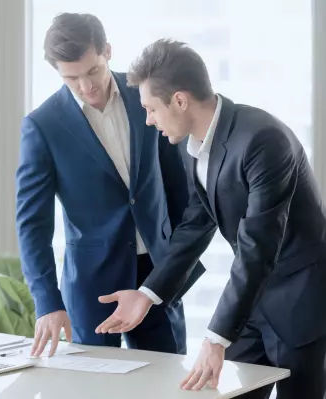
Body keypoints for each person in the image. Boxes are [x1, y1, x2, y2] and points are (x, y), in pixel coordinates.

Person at [95, 39, 326, 398]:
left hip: (299, 301)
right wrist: (148, 293)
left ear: (180, 100)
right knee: (222, 392)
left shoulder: (263, 139)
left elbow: (257, 246)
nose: (148, 120)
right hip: (251, 302)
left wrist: (215, 338)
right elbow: (195, 225)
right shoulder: (193, 145)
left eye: (151, 109)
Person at [16, 15, 205, 358]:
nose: (86, 87)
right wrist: (47, 302)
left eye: (93, 71)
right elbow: (32, 225)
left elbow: (179, 188)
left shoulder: (144, 96)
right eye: (71, 78)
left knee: (166, 385)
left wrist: (177, 267)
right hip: (93, 287)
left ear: (107, 51)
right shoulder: (42, 127)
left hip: (157, 278)